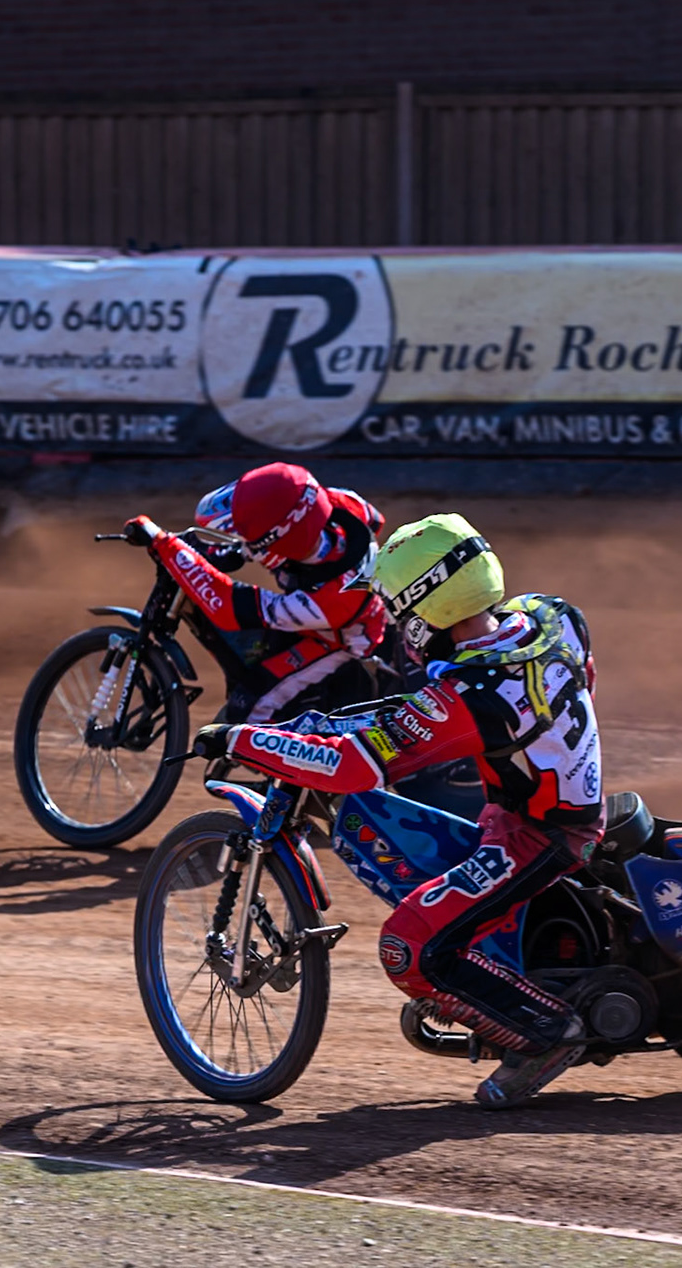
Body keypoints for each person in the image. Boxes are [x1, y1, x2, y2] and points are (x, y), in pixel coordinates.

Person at [190, 513, 604, 1109]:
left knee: (407, 949)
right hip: (542, 806)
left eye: (396, 610)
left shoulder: (470, 699)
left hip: (538, 837)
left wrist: (240, 740)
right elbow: (574, 678)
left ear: (423, 611)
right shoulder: (552, 616)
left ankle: (547, 1035)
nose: (394, 626)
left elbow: (349, 768)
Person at [122, 462, 390, 722]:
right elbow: (374, 519)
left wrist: (166, 545)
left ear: (280, 541)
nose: (243, 539)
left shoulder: (331, 599)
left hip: (339, 640)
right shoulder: (339, 503)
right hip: (329, 603)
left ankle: (304, 757)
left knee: (248, 710)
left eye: (249, 538)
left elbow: (229, 607)